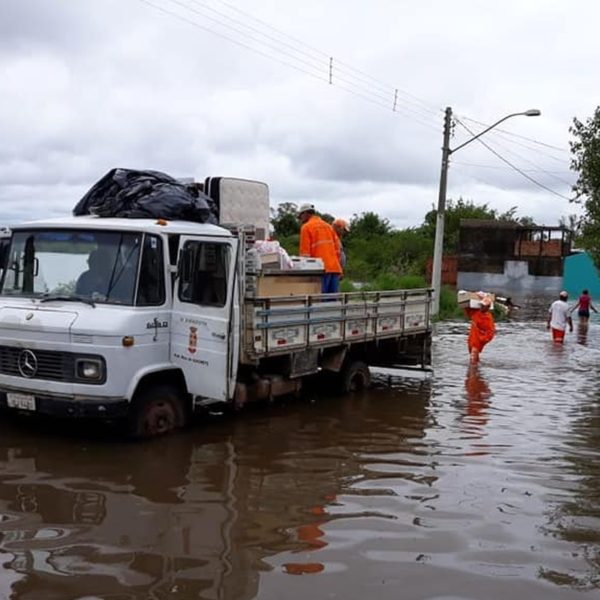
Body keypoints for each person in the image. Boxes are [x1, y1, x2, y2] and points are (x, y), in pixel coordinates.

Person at [298, 203, 342, 293]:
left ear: (306, 213)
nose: (300, 219)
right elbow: (338, 250)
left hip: (319, 270)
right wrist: (339, 269)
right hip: (334, 269)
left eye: (301, 216)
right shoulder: (329, 227)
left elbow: (305, 254)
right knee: (333, 302)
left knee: (319, 301)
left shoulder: (306, 228)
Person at [464, 294, 496, 364]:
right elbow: (467, 309)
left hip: (478, 342)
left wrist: (482, 339)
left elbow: (491, 332)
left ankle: (474, 373)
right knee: (474, 359)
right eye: (481, 305)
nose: (481, 307)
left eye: (483, 306)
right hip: (471, 340)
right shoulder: (476, 313)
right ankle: (477, 371)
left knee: (473, 360)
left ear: (488, 307)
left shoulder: (488, 318)